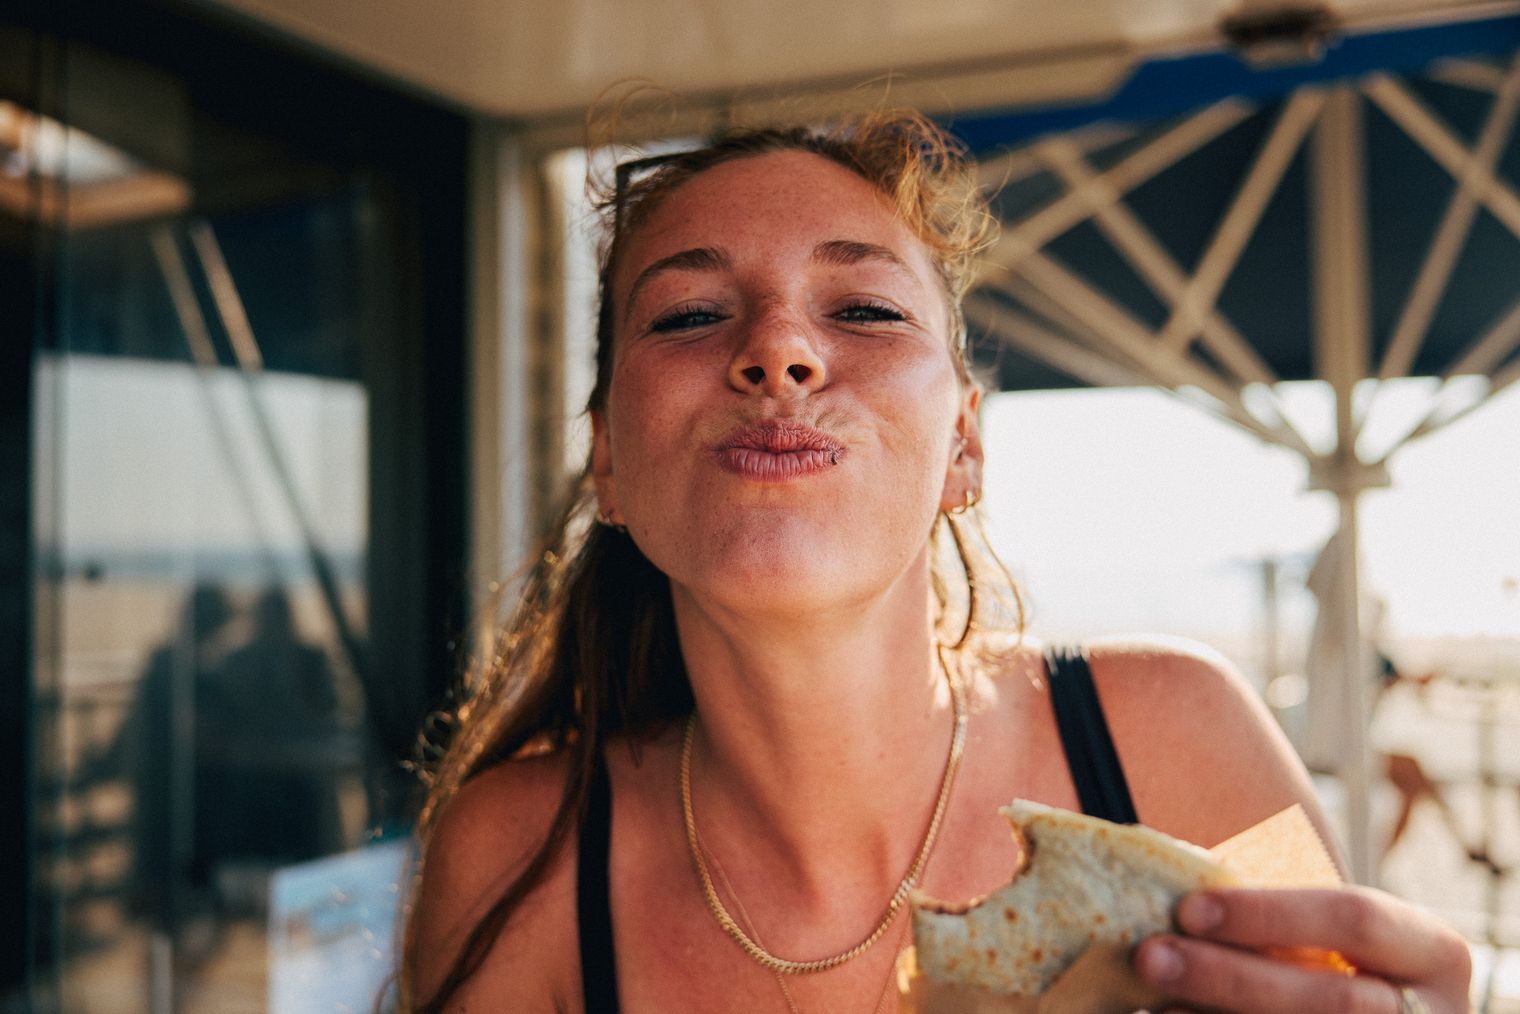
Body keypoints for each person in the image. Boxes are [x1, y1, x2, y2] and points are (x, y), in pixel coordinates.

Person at [402, 112, 1470, 1013]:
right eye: (689, 315)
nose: (779, 349)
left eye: (862, 310)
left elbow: (1335, 983)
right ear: (607, 464)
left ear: (963, 444)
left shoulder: (1178, 738)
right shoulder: (518, 863)